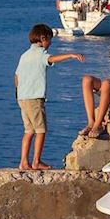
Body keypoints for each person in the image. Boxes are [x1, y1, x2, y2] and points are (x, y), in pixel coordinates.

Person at [15, 23, 84, 170]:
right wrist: (70, 55)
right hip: (34, 98)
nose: (50, 43)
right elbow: (52, 59)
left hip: (22, 98)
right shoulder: (41, 54)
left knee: (29, 131)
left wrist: (18, 92)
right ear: (43, 38)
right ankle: (36, 161)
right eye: (50, 40)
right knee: (41, 130)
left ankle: (23, 162)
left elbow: (16, 77)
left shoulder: (24, 56)